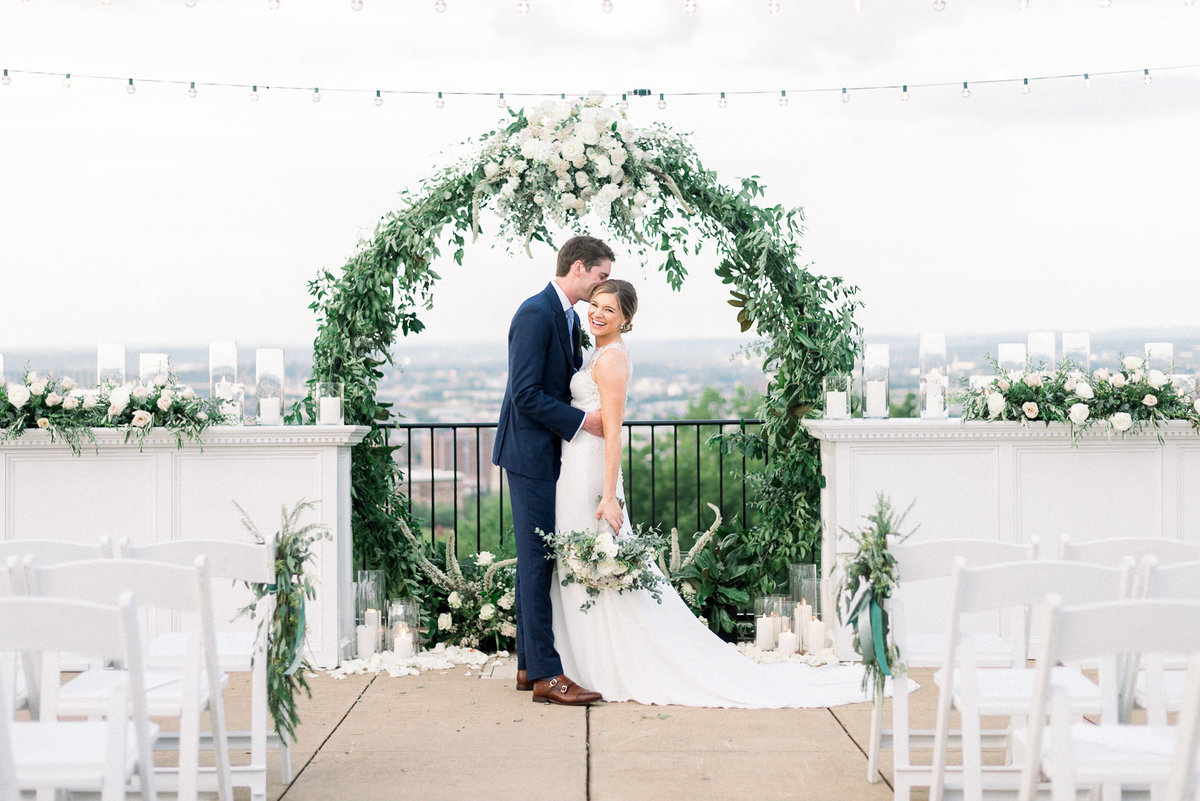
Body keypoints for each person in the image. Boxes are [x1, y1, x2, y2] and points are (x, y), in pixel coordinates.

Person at [549, 279, 881, 708]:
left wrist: (609, 494)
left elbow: (614, 434)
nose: (597, 313)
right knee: (580, 562)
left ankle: (604, 663)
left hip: (593, 472)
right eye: (594, 305)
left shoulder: (611, 360)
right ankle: (582, 659)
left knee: (595, 559)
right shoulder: (597, 352)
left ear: (626, 319)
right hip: (575, 467)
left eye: (609, 310)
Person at [492, 235, 614, 706]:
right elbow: (524, 393)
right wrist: (584, 420)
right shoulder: (536, 313)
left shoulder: (563, 318)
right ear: (579, 267)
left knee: (535, 559)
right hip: (528, 456)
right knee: (537, 560)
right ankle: (546, 675)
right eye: (600, 276)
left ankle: (527, 666)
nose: (602, 287)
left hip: (547, 456)